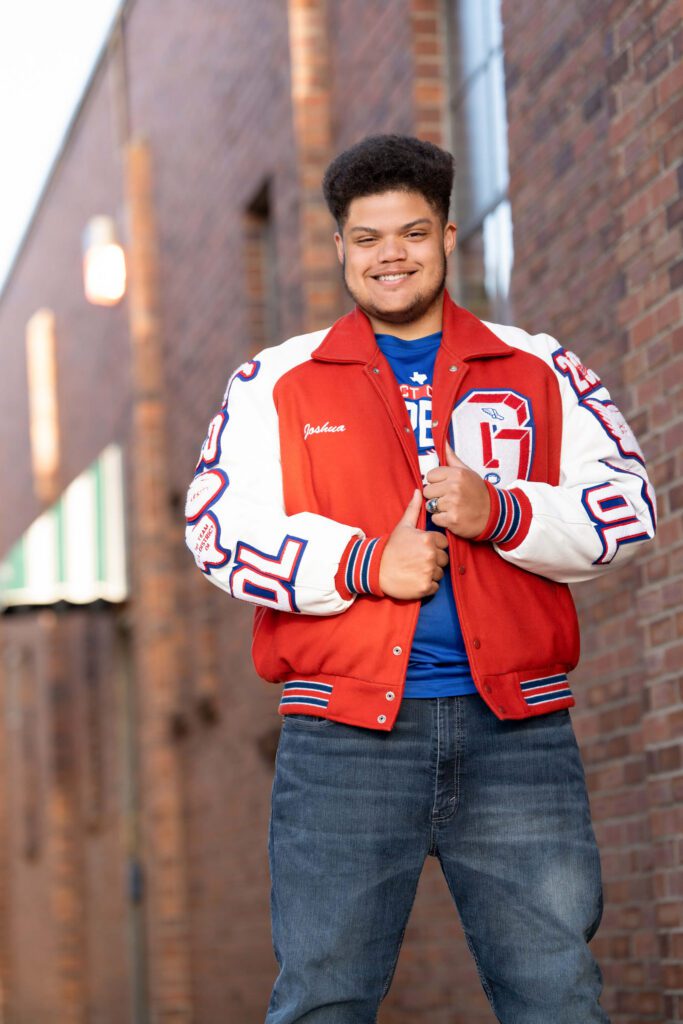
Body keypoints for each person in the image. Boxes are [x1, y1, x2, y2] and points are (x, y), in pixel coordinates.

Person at [185, 134, 656, 1024]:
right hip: (342, 740)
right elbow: (215, 531)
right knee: (323, 1000)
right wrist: (364, 565)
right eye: (366, 239)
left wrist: (502, 513)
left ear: (446, 236)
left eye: (409, 233)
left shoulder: (537, 366)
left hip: (518, 733)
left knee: (557, 999)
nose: (388, 255)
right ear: (339, 249)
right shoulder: (273, 382)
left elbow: (627, 508)